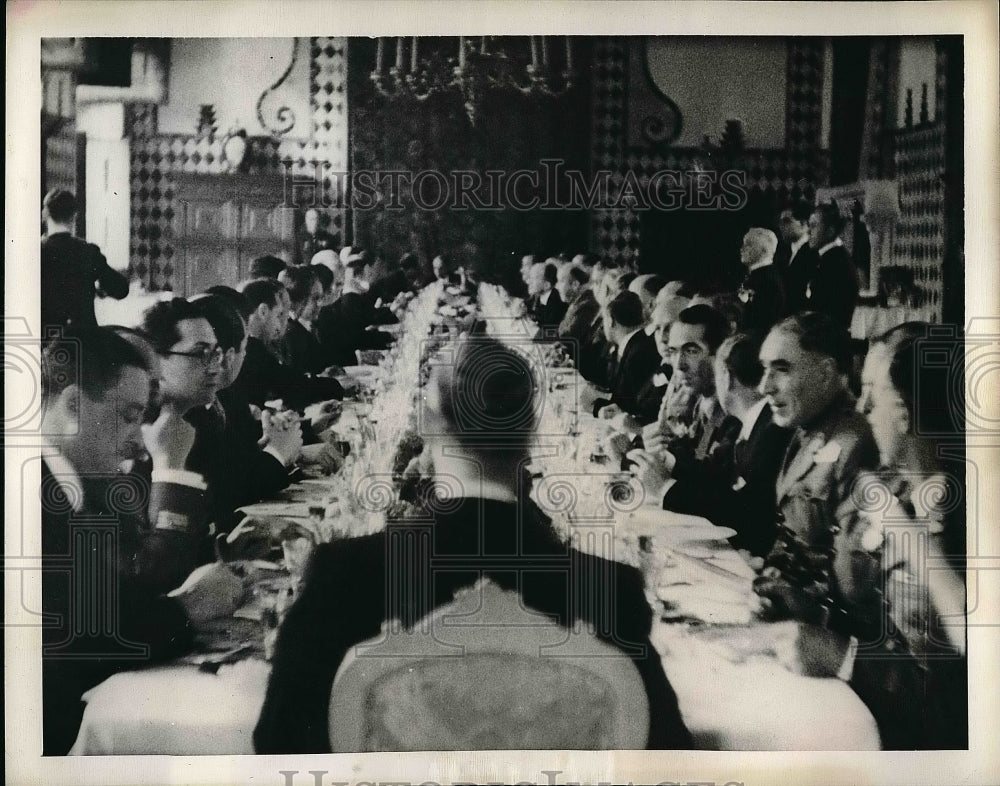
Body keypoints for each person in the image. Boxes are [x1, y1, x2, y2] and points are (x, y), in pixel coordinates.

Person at [254, 336, 693, 752]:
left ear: (427, 426)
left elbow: (279, 743)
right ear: (533, 431)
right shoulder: (609, 588)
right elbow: (668, 754)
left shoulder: (343, 573)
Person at [40, 328, 245, 754]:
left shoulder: (72, 483)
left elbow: (119, 596)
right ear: (74, 404)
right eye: (129, 416)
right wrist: (190, 608)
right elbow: (80, 645)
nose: (138, 441)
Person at [858, 323, 967, 748]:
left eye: (871, 391)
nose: (861, 406)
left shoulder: (971, 511)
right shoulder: (908, 492)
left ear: (904, 414)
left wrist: (905, 534)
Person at [631, 333, 791, 557]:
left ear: (725, 377)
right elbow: (714, 474)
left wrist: (666, 489)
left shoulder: (771, 430)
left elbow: (745, 513)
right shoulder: (755, 423)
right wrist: (665, 462)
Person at [235, 278, 344, 410]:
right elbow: (293, 385)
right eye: (279, 314)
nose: (280, 323)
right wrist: (336, 386)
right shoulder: (254, 349)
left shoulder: (250, 345)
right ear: (263, 311)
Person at [40, 188, 129, 333]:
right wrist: (100, 287)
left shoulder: (35, 253)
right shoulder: (88, 251)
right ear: (74, 216)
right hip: (85, 342)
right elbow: (121, 290)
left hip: (44, 342)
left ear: (44, 215)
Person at [594, 291, 662, 422]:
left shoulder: (639, 352)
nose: (602, 327)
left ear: (610, 321)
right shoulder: (633, 345)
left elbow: (626, 404)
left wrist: (594, 405)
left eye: (603, 320)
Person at [805, 203, 860, 329]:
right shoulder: (830, 258)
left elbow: (824, 310)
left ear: (830, 231)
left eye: (814, 226)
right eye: (809, 225)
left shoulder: (836, 263)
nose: (808, 231)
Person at [736, 228, 786, 332]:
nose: (742, 248)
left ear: (764, 250)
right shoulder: (757, 276)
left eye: (748, 244)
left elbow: (761, 323)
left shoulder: (769, 282)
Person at [776, 200, 818, 314]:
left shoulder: (814, 253)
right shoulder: (783, 253)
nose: (781, 226)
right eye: (780, 221)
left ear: (804, 224)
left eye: (786, 221)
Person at [528, 260, 567, 334]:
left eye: (534, 278)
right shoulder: (537, 295)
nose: (529, 281)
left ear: (547, 284)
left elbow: (550, 332)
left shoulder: (558, 303)